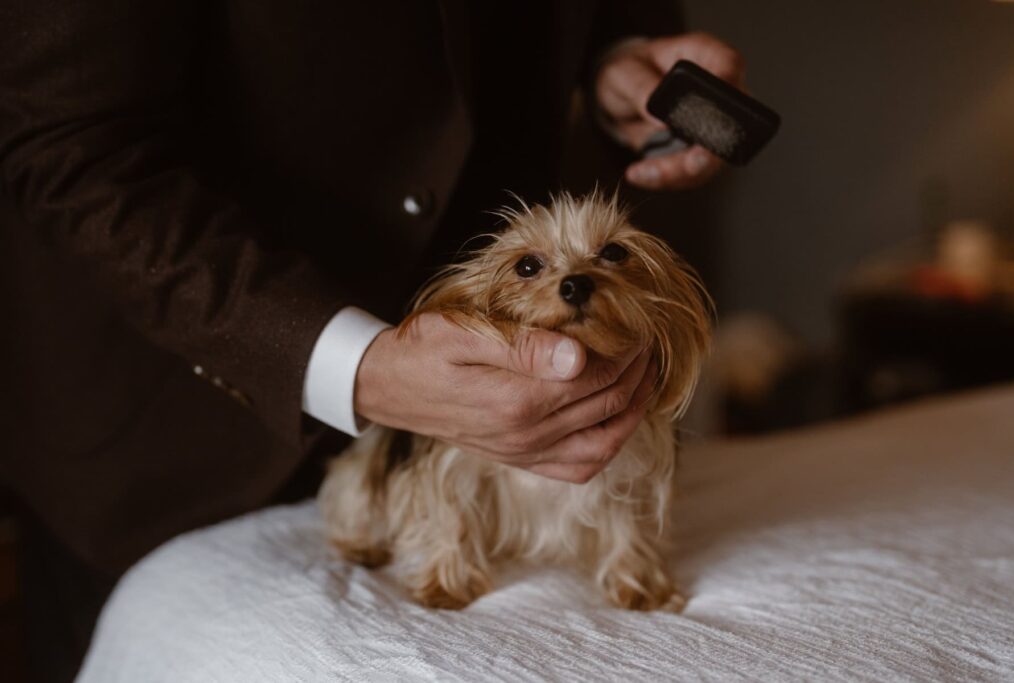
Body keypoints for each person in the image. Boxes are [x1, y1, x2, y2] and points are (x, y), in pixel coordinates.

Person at [0, 1, 744, 679]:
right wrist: (352, 364)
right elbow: (68, 144)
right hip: (160, 412)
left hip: (487, 347)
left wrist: (619, 50)